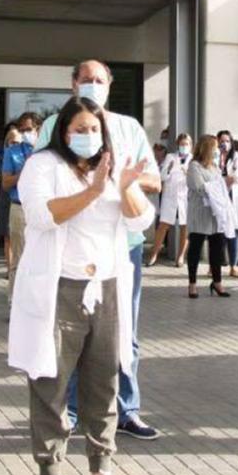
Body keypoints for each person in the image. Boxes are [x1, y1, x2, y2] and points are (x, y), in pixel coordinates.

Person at [8, 96, 153, 475]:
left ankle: (100, 468)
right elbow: (42, 215)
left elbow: (139, 220)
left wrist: (123, 187)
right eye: (79, 129)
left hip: (107, 285)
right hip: (59, 288)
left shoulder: (113, 165)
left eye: (94, 130)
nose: (88, 136)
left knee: (103, 381)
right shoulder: (43, 165)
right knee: (51, 382)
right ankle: (51, 473)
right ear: (63, 131)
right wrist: (92, 191)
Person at [37, 60, 162, 441]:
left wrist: (121, 179)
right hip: (73, 251)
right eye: (86, 79)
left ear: (109, 85)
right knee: (72, 335)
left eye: (99, 80)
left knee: (125, 331)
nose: (92, 85)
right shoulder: (53, 126)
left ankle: (126, 410)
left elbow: (154, 180)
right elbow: (43, 179)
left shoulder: (129, 127)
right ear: (73, 83)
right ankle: (72, 410)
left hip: (123, 248)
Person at [185, 134, 236, 299]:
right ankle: (192, 284)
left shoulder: (214, 168)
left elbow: (219, 190)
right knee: (195, 249)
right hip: (200, 214)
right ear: (206, 148)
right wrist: (222, 184)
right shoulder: (194, 166)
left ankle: (217, 282)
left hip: (216, 214)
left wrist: (224, 185)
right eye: (214, 148)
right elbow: (199, 187)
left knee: (217, 250)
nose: (217, 151)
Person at [1, 112, 41, 291]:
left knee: (43, 257)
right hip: (19, 207)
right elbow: (6, 183)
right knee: (19, 257)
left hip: (44, 207)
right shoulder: (13, 152)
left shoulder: (49, 151)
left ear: (38, 129)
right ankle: (13, 302)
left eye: (29, 129)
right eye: (22, 130)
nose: (25, 133)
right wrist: (24, 171)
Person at [147, 132, 191, 267]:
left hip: (185, 198)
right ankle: (154, 254)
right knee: (163, 225)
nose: (184, 146)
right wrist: (169, 169)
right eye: (182, 144)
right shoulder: (170, 157)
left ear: (190, 145)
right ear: (178, 145)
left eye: (186, 144)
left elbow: (194, 181)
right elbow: (162, 177)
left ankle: (181, 257)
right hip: (170, 197)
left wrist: (187, 174)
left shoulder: (193, 159)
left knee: (185, 226)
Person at [216, 130, 238, 277]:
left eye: (227, 141)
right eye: (222, 141)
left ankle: (233, 265)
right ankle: (214, 266)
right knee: (217, 233)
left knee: (234, 231)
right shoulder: (214, 157)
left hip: (235, 196)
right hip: (219, 197)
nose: (224, 143)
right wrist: (223, 180)